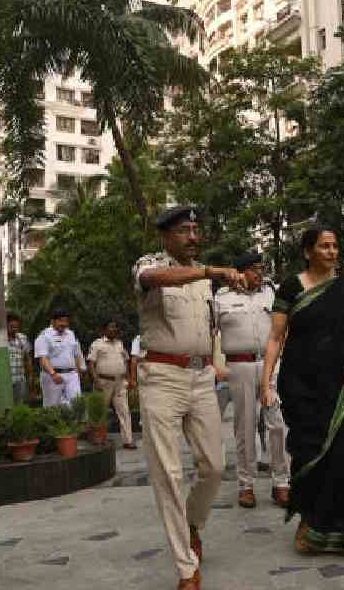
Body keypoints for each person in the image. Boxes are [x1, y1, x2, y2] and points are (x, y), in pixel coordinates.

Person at [133, 205, 245, 590]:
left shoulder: (203, 282)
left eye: (196, 230)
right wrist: (210, 271)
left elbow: (211, 329)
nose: (193, 237)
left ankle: (193, 522)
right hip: (161, 378)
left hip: (200, 378)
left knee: (214, 465)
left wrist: (216, 364)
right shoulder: (149, 265)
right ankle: (186, 567)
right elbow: (157, 278)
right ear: (166, 235)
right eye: (184, 230)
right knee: (168, 474)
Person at [260, 228, 344, 555]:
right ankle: (310, 522)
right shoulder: (291, 287)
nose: (331, 252)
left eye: (335, 246)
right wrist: (265, 383)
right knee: (307, 453)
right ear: (308, 251)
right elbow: (276, 338)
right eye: (324, 246)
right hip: (300, 385)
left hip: (340, 385)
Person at [216, 252, 289, 509]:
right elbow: (210, 333)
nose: (260, 273)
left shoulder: (271, 293)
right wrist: (215, 365)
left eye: (262, 269)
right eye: (255, 269)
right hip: (239, 366)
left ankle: (281, 482)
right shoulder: (221, 298)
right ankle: (246, 485)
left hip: (269, 365)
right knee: (245, 427)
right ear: (241, 271)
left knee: (277, 424)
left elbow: (284, 328)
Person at [87, 320, 136, 450]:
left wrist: (130, 379)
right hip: (103, 382)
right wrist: (95, 379)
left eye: (115, 327)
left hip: (120, 382)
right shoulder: (97, 344)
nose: (114, 329)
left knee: (124, 411)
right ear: (104, 330)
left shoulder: (120, 344)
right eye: (111, 327)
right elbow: (91, 363)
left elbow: (126, 360)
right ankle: (97, 437)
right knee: (100, 410)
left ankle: (128, 440)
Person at [34, 309, 86, 407]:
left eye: (66, 321)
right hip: (53, 375)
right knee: (52, 406)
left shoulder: (71, 334)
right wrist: (53, 374)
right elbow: (43, 359)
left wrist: (78, 372)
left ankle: (75, 422)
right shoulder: (44, 336)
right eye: (61, 321)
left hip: (71, 374)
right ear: (53, 321)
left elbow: (75, 354)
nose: (64, 323)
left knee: (77, 403)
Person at [7, 313, 34, 406]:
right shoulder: (0, 340)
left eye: (16, 327)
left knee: (20, 405)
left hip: (19, 379)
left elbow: (28, 358)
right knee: (6, 404)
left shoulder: (22, 338)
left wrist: (30, 376)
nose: (14, 329)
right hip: (5, 380)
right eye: (12, 326)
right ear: (6, 325)